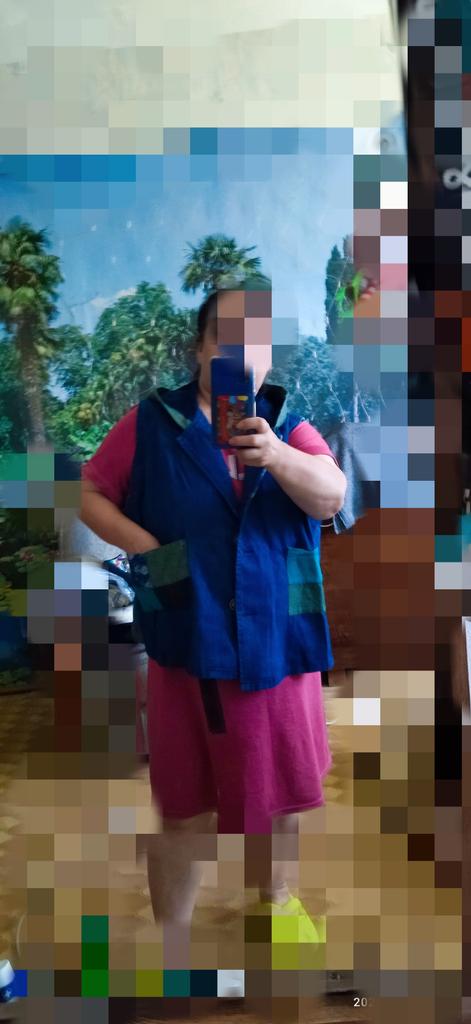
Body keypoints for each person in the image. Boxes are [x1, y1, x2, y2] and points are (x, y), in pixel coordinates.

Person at [79, 277, 347, 972]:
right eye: (225, 335)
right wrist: (148, 550)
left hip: (277, 641)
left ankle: (276, 902)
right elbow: (90, 493)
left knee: (280, 794)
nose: (240, 350)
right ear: (199, 348)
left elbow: (331, 498)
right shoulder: (151, 423)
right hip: (187, 636)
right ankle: (171, 936)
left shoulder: (287, 424)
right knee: (185, 801)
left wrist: (276, 455)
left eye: (256, 338)